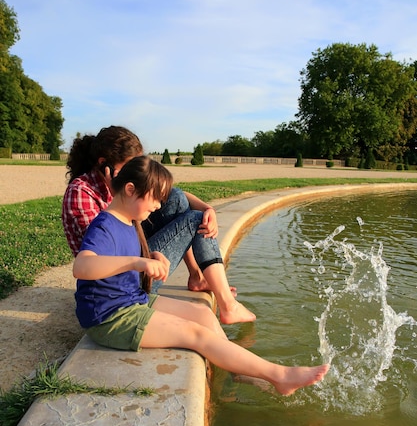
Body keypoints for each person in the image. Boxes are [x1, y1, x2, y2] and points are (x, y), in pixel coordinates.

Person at [72, 156, 329, 396]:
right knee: (197, 336)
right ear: (130, 190)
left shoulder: (129, 219)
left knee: (203, 314)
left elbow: (127, 254)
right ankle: (279, 375)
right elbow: (82, 267)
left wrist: (152, 257)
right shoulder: (105, 225)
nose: (159, 206)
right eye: (155, 199)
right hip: (109, 318)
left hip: (132, 299)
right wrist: (137, 262)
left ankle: (237, 369)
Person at [62, 125, 255, 325]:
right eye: (127, 168)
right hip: (120, 284)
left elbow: (170, 193)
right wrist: (116, 195)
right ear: (104, 165)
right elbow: (102, 253)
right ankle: (228, 306)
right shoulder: (82, 192)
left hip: (134, 265)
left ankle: (197, 276)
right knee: (194, 220)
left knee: (178, 199)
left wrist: (209, 209)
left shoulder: (123, 185)